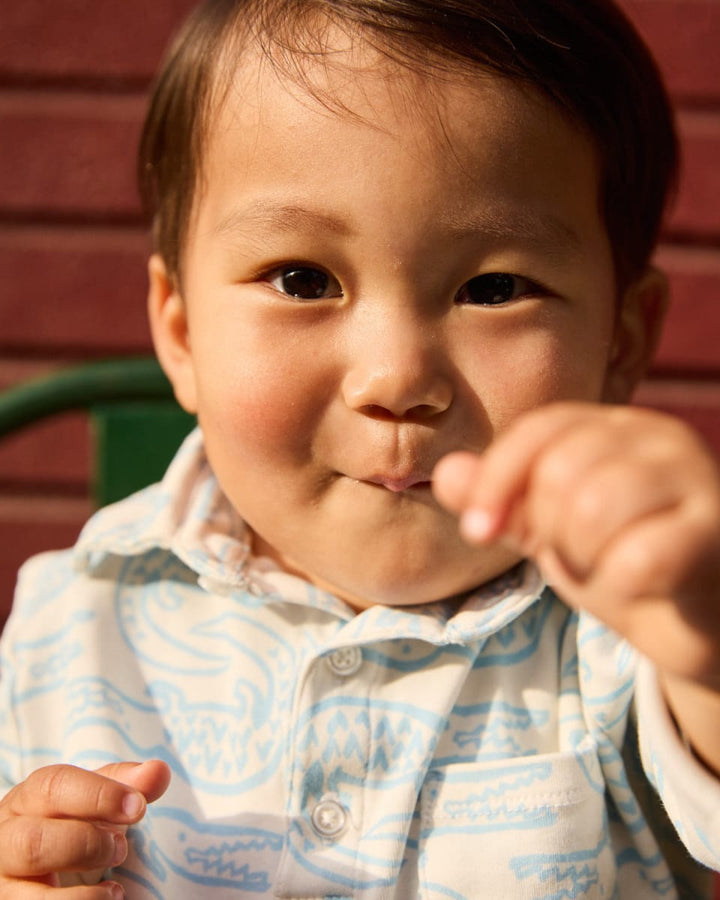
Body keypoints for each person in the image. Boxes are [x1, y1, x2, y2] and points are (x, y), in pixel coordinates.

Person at [0, 0, 719, 896]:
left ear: (621, 342)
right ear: (181, 333)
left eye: (495, 288)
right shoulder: (76, 614)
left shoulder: (627, 619)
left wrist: (704, 640)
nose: (395, 377)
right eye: (303, 279)